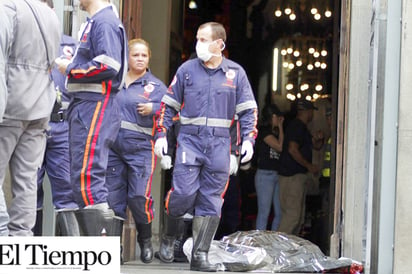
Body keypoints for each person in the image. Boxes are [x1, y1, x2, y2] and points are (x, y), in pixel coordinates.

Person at [154, 22, 258, 271]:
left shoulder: (236, 73)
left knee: (211, 201)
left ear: (219, 44)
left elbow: (248, 111)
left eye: (203, 39)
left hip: (220, 144)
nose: (198, 44)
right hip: (190, 140)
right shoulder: (187, 70)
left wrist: (248, 141)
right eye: (198, 39)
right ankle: (170, 237)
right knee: (183, 194)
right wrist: (161, 135)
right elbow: (168, 106)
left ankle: (200, 255)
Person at [55, 0, 128, 236]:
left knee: (88, 177)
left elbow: (109, 65)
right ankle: (94, 251)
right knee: (82, 177)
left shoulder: (104, 21)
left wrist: (70, 69)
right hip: (87, 104)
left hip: (95, 104)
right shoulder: (98, 21)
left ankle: (98, 251)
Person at [0, 0, 61, 236]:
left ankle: (3, 237)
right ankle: (21, 241)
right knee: (26, 181)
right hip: (39, 106)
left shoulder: (8, 7)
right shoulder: (50, 14)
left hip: (11, 105)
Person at [106, 38, 166, 263]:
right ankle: (114, 249)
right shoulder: (115, 80)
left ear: (149, 58)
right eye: (135, 55)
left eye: (144, 55)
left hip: (141, 148)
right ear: (127, 57)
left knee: (139, 196)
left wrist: (155, 108)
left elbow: (172, 111)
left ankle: (145, 238)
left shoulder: (156, 87)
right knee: (113, 199)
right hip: (112, 147)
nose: (140, 59)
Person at [33, 0, 80, 237]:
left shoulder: (71, 45)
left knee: (67, 188)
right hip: (31, 124)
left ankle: (72, 250)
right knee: (29, 187)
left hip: (62, 124)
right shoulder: (25, 41)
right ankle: (30, 248)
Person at [277, 99, 324, 235]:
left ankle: (290, 250)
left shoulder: (301, 128)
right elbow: (293, 149)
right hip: (292, 177)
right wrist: (309, 165)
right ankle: (278, 249)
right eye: (311, 112)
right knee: (292, 217)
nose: (312, 115)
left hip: (296, 177)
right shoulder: (297, 127)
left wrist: (318, 139)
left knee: (298, 217)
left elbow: (315, 146)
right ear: (307, 112)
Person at [254, 104, 284, 231]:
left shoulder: (272, 133)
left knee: (279, 212)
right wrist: (281, 128)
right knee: (264, 213)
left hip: (275, 174)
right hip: (265, 175)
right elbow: (279, 147)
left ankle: (272, 239)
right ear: (273, 116)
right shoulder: (264, 132)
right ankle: (259, 241)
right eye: (278, 117)